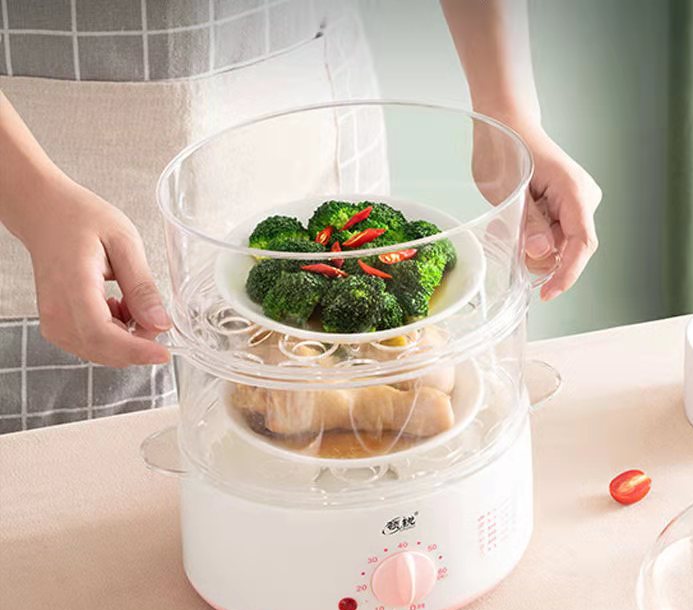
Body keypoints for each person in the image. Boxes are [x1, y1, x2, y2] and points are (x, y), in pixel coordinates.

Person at [0, 0, 600, 435]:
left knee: (366, 429)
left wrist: (506, 108)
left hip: (309, 123)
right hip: (35, 175)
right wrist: (34, 200)